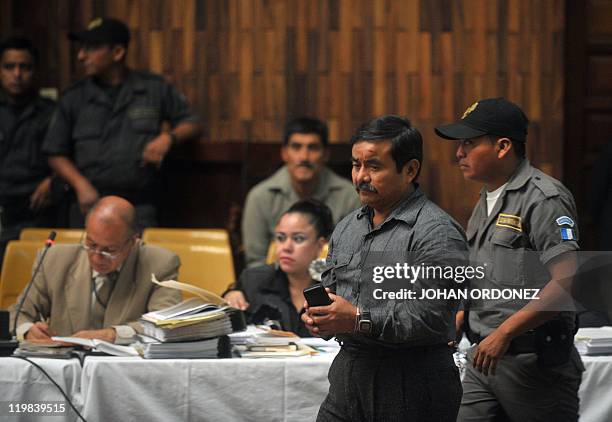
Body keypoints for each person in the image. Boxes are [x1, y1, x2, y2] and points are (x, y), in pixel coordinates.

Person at [302, 115, 468, 421]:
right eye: (355, 165)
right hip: (349, 376)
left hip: (411, 381)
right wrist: (321, 318)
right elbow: (333, 293)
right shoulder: (347, 228)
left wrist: (355, 318)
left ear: (410, 170)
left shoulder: (435, 231)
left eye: (374, 167)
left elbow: (430, 317)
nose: (360, 177)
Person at [435, 97, 584, 421]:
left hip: (533, 364)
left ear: (503, 146)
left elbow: (566, 282)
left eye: (469, 144)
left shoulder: (545, 199)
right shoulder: (488, 197)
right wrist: (462, 315)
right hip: (483, 357)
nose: (459, 153)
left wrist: (503, 333)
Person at [42, 17, 201, 229]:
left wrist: (168, 138)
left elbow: (192, 122)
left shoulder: (153, 88)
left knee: (141, 260)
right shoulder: (75, 97)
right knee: (88, 260)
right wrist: (81, 185)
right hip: (89, 204)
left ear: (117, 53)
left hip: (139, 206)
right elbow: (54, 151)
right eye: (82, 49)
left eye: (91, 48)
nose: (81, 56)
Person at [10, 196, 181, 344]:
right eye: (91, 245)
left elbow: (165, 324)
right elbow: (17, 314)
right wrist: (27, 330)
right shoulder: (54, 260)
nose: (97, 257)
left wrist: (113, 334)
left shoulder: (160, 264)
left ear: (133, 242)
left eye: (110, 250)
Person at [242, 117, 360, 267]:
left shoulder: (349, 196)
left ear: (325, 154)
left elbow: (352, 260)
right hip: (276, 285)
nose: (304, 157)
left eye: (313, 148)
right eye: (296, 147)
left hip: (332, 285)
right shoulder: (260, 197)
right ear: (284, 153)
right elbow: (256, 262)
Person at [225, 199, 333, 337]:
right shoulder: (253, 280)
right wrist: (231, 294)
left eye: (298, 239)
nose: (286, 247)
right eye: (281, 238)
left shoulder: (336, 284)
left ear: (320, 245)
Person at [0, 37, 55, 269]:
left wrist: (53, 180)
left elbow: (71, 156)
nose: (17, 74)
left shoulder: (51, 112)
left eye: (25, 67)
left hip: (37, 208)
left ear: (35, 71)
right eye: (9, 67)